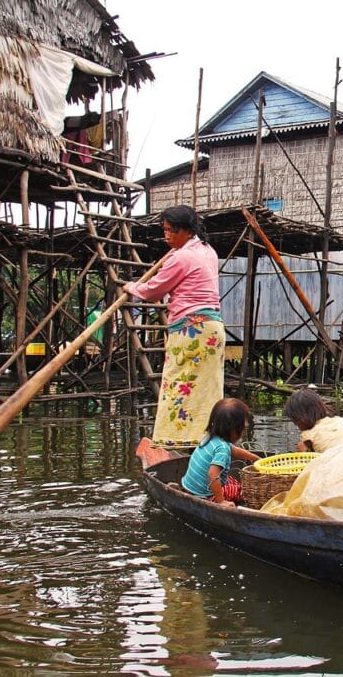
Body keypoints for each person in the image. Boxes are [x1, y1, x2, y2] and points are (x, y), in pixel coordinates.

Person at [123, 206, 225, 447]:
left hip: (191, 330)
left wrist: (131, 288)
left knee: (178, 384)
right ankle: (205, 438)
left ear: (187, 231)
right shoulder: (207, 250)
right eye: (165, 230)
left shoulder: (181, 257)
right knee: (208, 388)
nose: (166, 236)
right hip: (212, 328)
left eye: (171, 231)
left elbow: (153, 291)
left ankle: (177, 440)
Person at [181, 398, 260, 505]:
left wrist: (256, 459)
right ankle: (226, 500)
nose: (243, 432)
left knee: (232, 480)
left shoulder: (211, 437)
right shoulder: (222, 448)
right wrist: (221, 501)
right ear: (233, 430)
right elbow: (212, 475)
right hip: (205, 496)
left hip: (189, 487)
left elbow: (234, 451)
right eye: (242, 428)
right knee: (245, 492)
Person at [283, 387, 343, 452]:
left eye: (295, 421)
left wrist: (301, 449)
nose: (296, 425)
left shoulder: (308, 435)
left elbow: (300, 460)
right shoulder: (339, 420)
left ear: (302, 418)